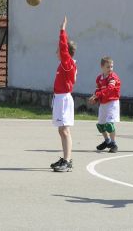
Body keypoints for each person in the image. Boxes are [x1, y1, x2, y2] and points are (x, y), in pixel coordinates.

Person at [50, 16, 77, 172]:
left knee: (65, 130)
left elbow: (63, 47)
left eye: (60, 50)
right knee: (61, 130)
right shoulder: (65, 65)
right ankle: (66, 158)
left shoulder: (68, 64)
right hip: (60, 98)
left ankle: (67, 161)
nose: (58, 52)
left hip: (64, 99)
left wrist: (62, 30)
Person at [88, 57, 121, 153]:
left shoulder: (113, 77)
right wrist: (96, 98)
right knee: (100, 125)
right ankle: (107, 141)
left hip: (112, 102)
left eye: (112, 66)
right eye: (108, 67)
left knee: (109, 125)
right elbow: (98, 90)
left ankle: (114, 144)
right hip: (103, 103)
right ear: (102, 67)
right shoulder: (99, 78)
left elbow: (110, 89)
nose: (110, 69)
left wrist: (97, 95)